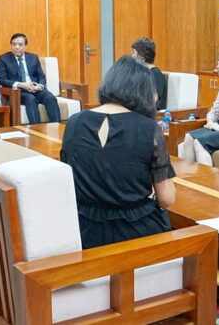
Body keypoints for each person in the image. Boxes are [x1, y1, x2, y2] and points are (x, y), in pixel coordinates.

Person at [60, 55, 176, 249]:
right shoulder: (148, 128)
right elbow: (167, 199)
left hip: (83, 232)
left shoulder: (75, 121)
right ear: (143, 91)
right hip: (134, 234)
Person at [0, 33, 59, 124]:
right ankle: (37, 130)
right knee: (30, 98)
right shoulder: (3, 59)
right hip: (18, 92)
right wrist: (21, 85)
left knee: (50, 97)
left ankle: (58, 128)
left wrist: (39, 86)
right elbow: (2, 80)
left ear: (25, 46)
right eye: (14, 44)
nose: (17, 47)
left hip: (35, 89)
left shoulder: (33, 57)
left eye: (20, 45)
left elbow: (41, 76)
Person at [131, 37, 167, 110]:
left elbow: (152, 100)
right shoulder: (139, 73)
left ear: (141, 56)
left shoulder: (155, 74)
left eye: (133, 52)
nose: (131, 56)